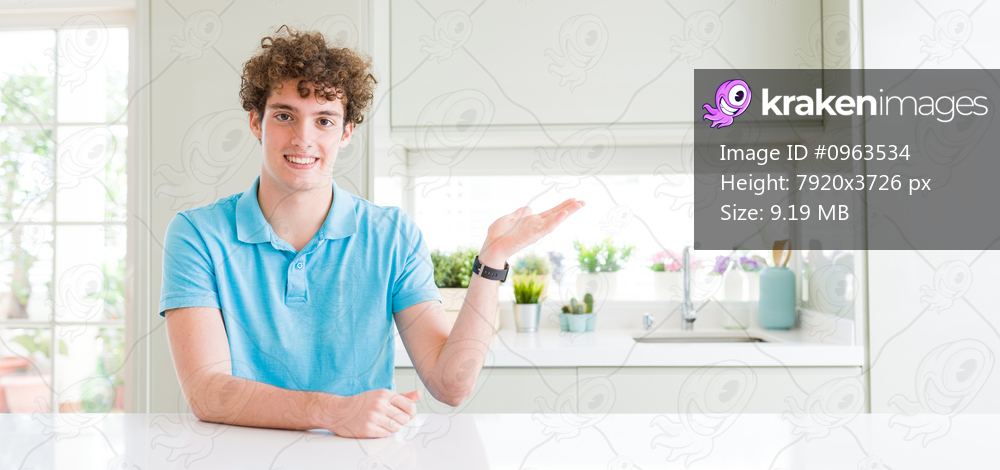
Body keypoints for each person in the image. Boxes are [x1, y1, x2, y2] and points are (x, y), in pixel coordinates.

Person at [159, 25, 584, 439]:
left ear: (346, 132)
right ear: (257, 123)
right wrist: (335, 410)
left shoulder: (392, 235)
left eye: (324, 120)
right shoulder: (197, 235)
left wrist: (491, 262)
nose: (303, 138)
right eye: (285, 115)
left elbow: (450, 386)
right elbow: (208, 392)